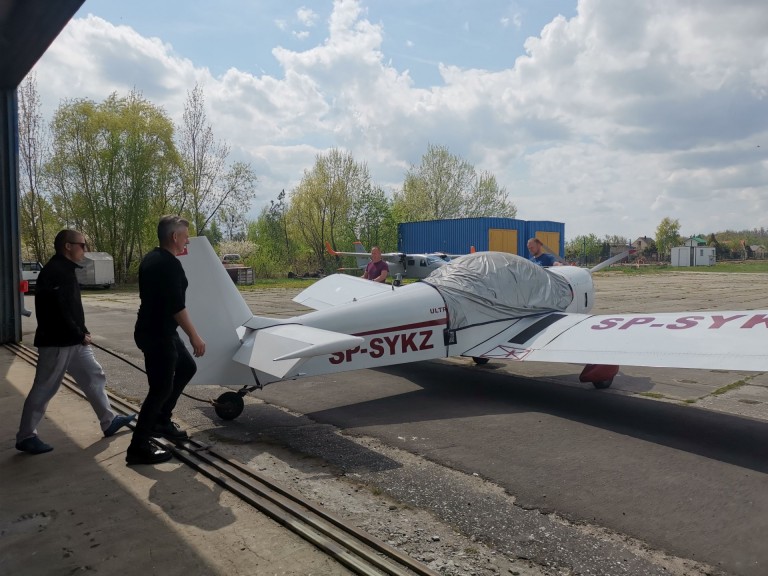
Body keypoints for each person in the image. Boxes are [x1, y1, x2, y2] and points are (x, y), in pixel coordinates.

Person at [15, 230, 135, 455]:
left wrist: (82, 332)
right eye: (82, 245)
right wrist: (79, 334)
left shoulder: (65, 270)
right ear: (68, 246)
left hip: (73, 340)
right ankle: (26, 436)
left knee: (93, 374)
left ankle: (109, 421)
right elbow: (59, 311)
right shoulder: (57, 271)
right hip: (58, 341)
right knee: (45, 386)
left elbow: (70, 308)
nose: (85, 249)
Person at [127, 215, 206, 466]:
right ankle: (138, 447)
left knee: (186, 368)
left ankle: (161, 420)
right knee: (159, 388)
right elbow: (176, 306)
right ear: (174, 237)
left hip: (157, 330)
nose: (187, 241)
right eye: (185, 236)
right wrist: (195, 336)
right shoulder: (168, 264)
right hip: (157, 334)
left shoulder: (152, 258)